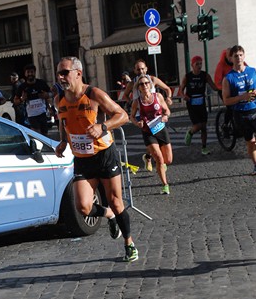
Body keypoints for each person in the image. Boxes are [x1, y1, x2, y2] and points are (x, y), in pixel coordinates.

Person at [54, 56, 138, 262]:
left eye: (64, 72)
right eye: (59, 73)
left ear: (78, 73)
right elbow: (64, 122)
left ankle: (129, 243)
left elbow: (123, 115)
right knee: (83, 207)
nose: (60, 77)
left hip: (104, 155)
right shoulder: (59, 100)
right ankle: (108, 215)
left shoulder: (94, 94)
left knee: (117, 202)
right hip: (82, 159)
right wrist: (63, 141)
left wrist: (103, 126)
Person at [222, 45, 256, 176]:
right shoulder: (228, 78)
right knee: (250, 140)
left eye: (241, 55)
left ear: (244, 56)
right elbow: (226, 100)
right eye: (235, 56)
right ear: (231, 58)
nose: (239, 58)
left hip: (255, 109)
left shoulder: (254, 71)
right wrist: (241, 97)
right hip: (240, 113)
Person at [123, 59, 173, 172]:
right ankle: (157, 160)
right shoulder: (132, 83)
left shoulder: (153, 79)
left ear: (146, 69)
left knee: (157, 139)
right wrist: (132, 104)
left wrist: (168, 98)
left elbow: (167, 89)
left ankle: (149, 157)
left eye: (142, 68)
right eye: (138, 69)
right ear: (135, 71)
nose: (141, 71)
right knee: (151, 138)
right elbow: (125, 96)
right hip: (141, 115)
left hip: (156, 114)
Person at [130, 74, 172, 195]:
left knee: (168, 160)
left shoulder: (158, 96)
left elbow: (167, 110)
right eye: (141, 84)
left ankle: (159, 165)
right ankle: (165, 185)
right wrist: (137, 123)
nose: (144, 86)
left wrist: (165, 116)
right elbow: (131, 117)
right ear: (138, 88)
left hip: (161, 129)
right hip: (148, 132)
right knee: (159, 158)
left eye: (146, 83)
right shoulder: (137, 102)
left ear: (150, 85)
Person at [180, 55, 218, 155]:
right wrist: (184, 96)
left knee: (204, 127)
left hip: (201, 103)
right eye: (197, 64)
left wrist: (223, 87)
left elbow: (213, 86)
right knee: (198, 126)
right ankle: (190, 132)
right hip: (191, 104)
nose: (199, 66)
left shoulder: (205, 75)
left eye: (200, 63)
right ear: (192, 65)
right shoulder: (187, 77)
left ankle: (204, 147)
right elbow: (181, 90)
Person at [14, 63, 51, 135]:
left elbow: (52, 93)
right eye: (28, 72)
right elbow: (15, 101)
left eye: (32, 72)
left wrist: (47, 95)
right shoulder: (22, 87)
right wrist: (22, 99)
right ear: (25, 74)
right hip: (31, 116)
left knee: (45, 135)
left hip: (42, 114)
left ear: (35, 73)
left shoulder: (41, 83)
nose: (30, 74)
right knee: (37, 136)